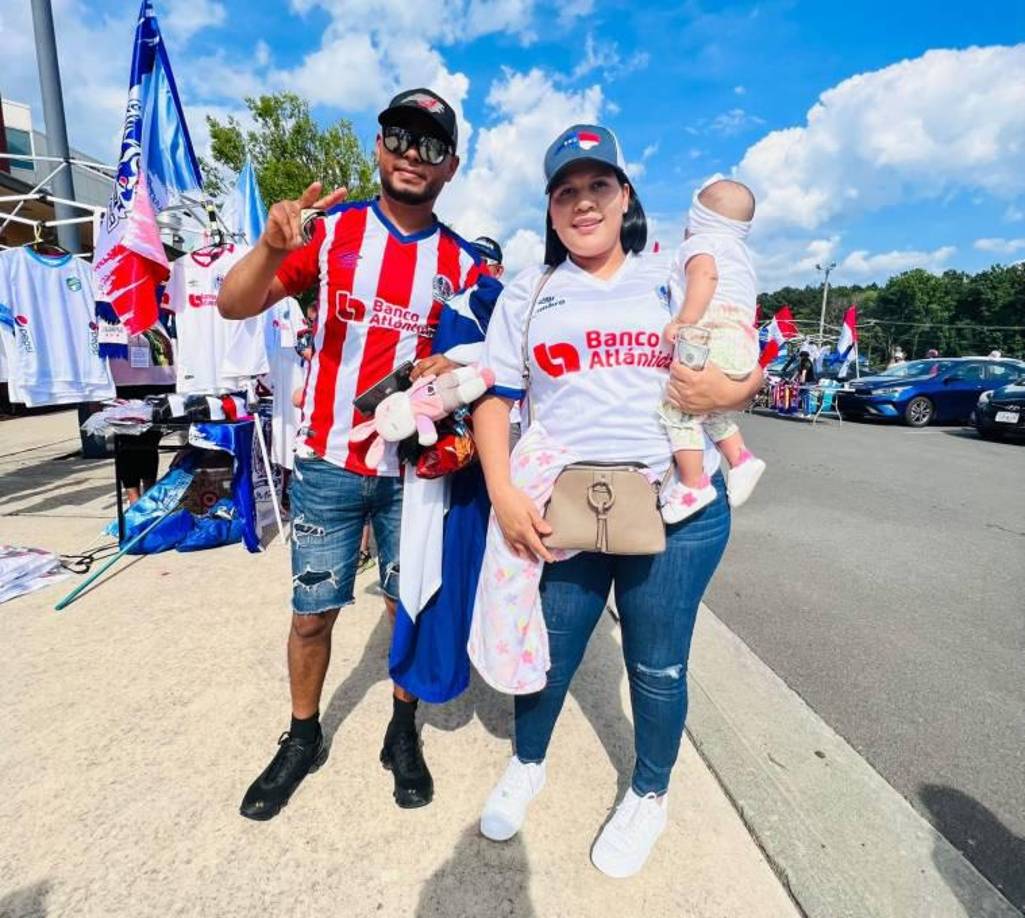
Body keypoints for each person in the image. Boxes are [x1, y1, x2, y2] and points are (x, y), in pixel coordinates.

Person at [471, 124, 763, 877]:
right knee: (553, 647)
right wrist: (502, 492)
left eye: (597, 185)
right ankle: (528, 762)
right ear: (550, 208)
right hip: (564, 504)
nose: (583, 202)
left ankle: (648, 795)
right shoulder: (528, 292)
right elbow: (496, 399)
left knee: (657, 666)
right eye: (565, 191)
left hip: (675, 508)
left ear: (624, 194)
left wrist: (739, 386)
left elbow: (740, 355)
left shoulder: (672, 277)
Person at [218, 87, 483, 819]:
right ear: (377, 144)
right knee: (312, 613)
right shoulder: (329, 233)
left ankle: (402, 731)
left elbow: (499, 360)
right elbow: (232, 304)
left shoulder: (463, 265)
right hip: (328, 465)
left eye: (429, 146)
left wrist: (456, 371)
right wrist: (272, 243)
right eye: (399, 137)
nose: (410, 155)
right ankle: (302, 737)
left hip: (415, 477)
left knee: (408, 606)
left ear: (450, 166)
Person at [659, 178, 766, 521]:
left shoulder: (700, 246)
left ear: (698, 220)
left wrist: (683, 320)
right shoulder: (742, 255)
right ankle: (741, 459)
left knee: (678, 407)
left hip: (711, 334)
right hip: (742, 343)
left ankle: (693, 484)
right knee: (710, 410)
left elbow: (705, 277)